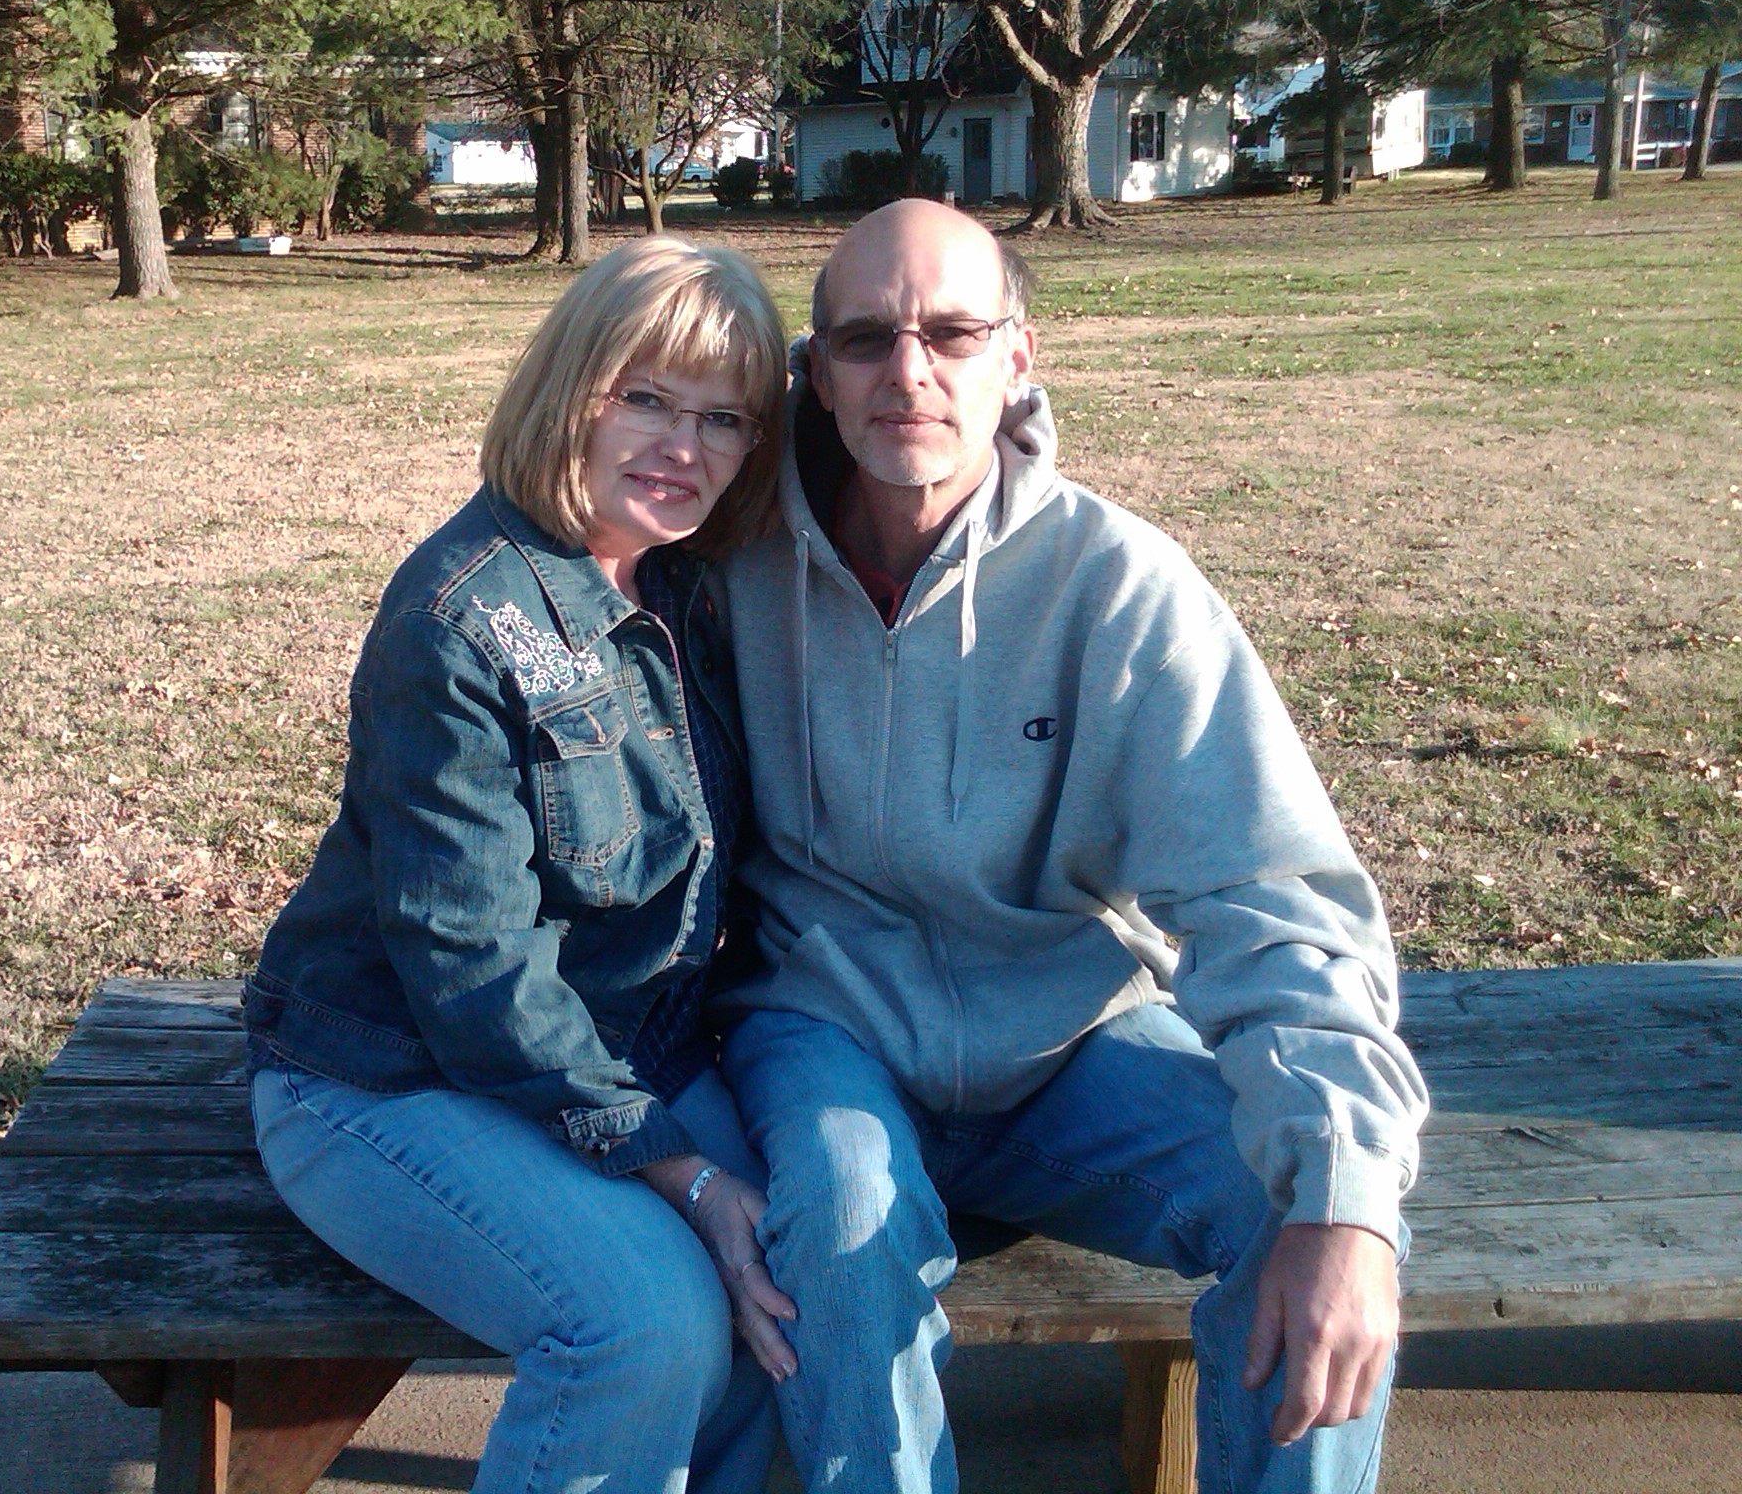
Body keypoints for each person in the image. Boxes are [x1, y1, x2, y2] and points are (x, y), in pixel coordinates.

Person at [715, 199, 1431, 1494]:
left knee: (1309, 1220)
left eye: (952, 331)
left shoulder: (1121, 585)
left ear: (1018, 356)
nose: (910, 371)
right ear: (811, 376)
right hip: (830, 1026)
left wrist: (1344, 1189)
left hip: (1072, 1036)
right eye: (866, 338)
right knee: (839, 1229)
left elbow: (1270, 889)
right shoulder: (727, 561)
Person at [243, 236, 799, 1494]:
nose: (684, 446)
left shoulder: (687, 581)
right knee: (642, 1327)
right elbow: (470, 962)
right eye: (644, 398)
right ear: (570, 389)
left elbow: (894, 399)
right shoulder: (458, 619)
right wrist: (683, 1171)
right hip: (384, 1076)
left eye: (722, 418)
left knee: (799, 1258)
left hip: (617, 1045)